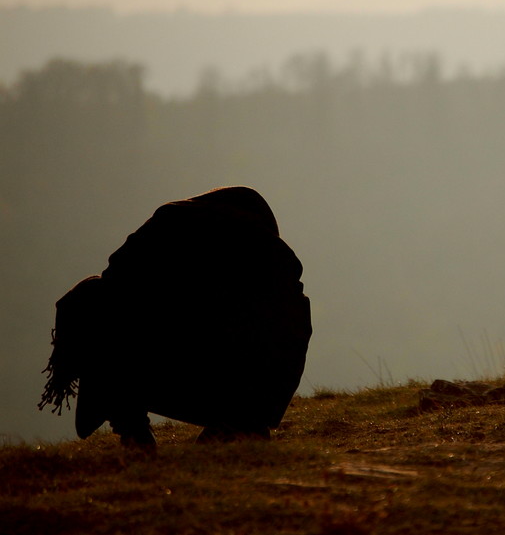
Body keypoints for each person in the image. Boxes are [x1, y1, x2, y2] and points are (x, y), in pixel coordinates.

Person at [39, 186, 312, 449]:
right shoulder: (276, 258)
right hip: (232, 378)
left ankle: (132, 427)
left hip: (152, 359)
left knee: (91, 296)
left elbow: (117, 275)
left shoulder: (170, 219)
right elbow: (289, 335)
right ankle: (239, 422)